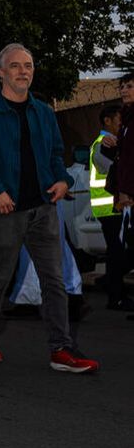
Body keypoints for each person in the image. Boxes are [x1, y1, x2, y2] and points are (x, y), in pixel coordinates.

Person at [0, 43, 98, 373]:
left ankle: (61, 349)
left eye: (28, 65)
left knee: (55, 279)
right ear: (0, 72)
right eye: (15, 66)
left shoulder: (44, 113)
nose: (24, 71)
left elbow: (54, 154)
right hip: (6, 211)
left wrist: (63, 179)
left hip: (43, 207)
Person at [92, 101, 134, 311]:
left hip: (115, 208)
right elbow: (118, 171)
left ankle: (111, 283)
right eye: (118, 120)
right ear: (107, 121)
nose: (121, 124)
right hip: (110, 209)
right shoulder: (103, 144)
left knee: (120, 253)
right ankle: (115, 295)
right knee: (118, 254)